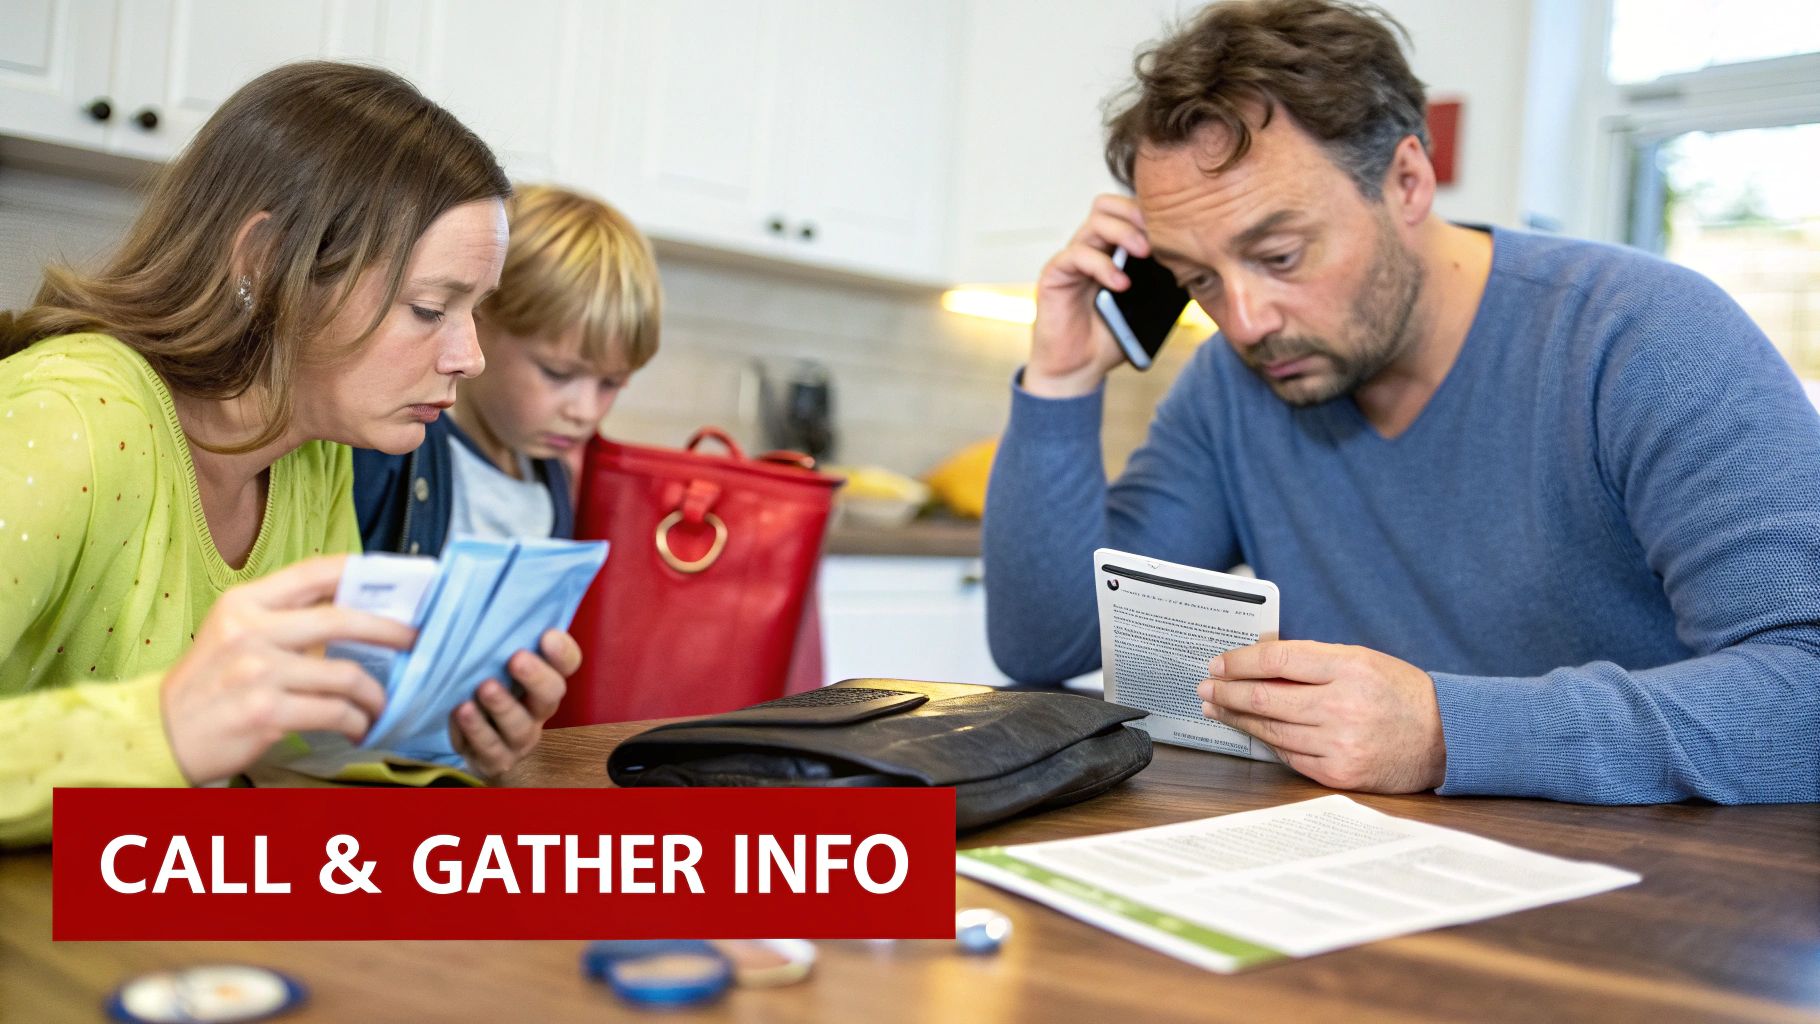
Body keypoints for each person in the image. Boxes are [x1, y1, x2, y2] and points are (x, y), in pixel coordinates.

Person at [983, 0, 1820, 804]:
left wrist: (1445, 731)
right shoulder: (1231, 389)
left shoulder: (1643, 337)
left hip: (1662, 894)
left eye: (1279, 254)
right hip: (1371, 883)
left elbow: (1805, 687)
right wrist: (1062, 379)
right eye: (1199, 278)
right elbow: (1047, 643)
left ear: (1409, 180)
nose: (1244, 321)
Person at [0, 62, 581, 848]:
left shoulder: (311, 448)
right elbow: (188, 743)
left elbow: (290, 755)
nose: (469, 356)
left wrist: (456, 744)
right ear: (267, 262)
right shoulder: (67, 419)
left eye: (475, 311)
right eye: (429, 308)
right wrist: (166, 724)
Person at [353, 184, 661, 555]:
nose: (585, 412)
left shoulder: (552, 476)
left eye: (612, 384)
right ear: (480, 315)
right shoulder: (389, 449)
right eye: (557, 373)